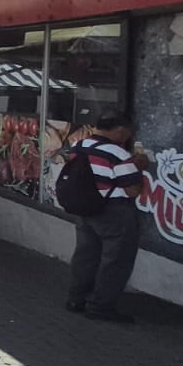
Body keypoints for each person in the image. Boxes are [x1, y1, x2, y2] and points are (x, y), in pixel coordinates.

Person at [66, 111, 146, 323]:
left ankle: (77, 298)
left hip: (86, 207)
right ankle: (101, 306)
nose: (128, 136)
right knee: (116, 260)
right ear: (120, 130)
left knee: (85, 255)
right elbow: (133, 190)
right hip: (114, 211)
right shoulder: (117, 153)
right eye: (127, 132)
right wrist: (139, 169)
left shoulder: (79, 145)